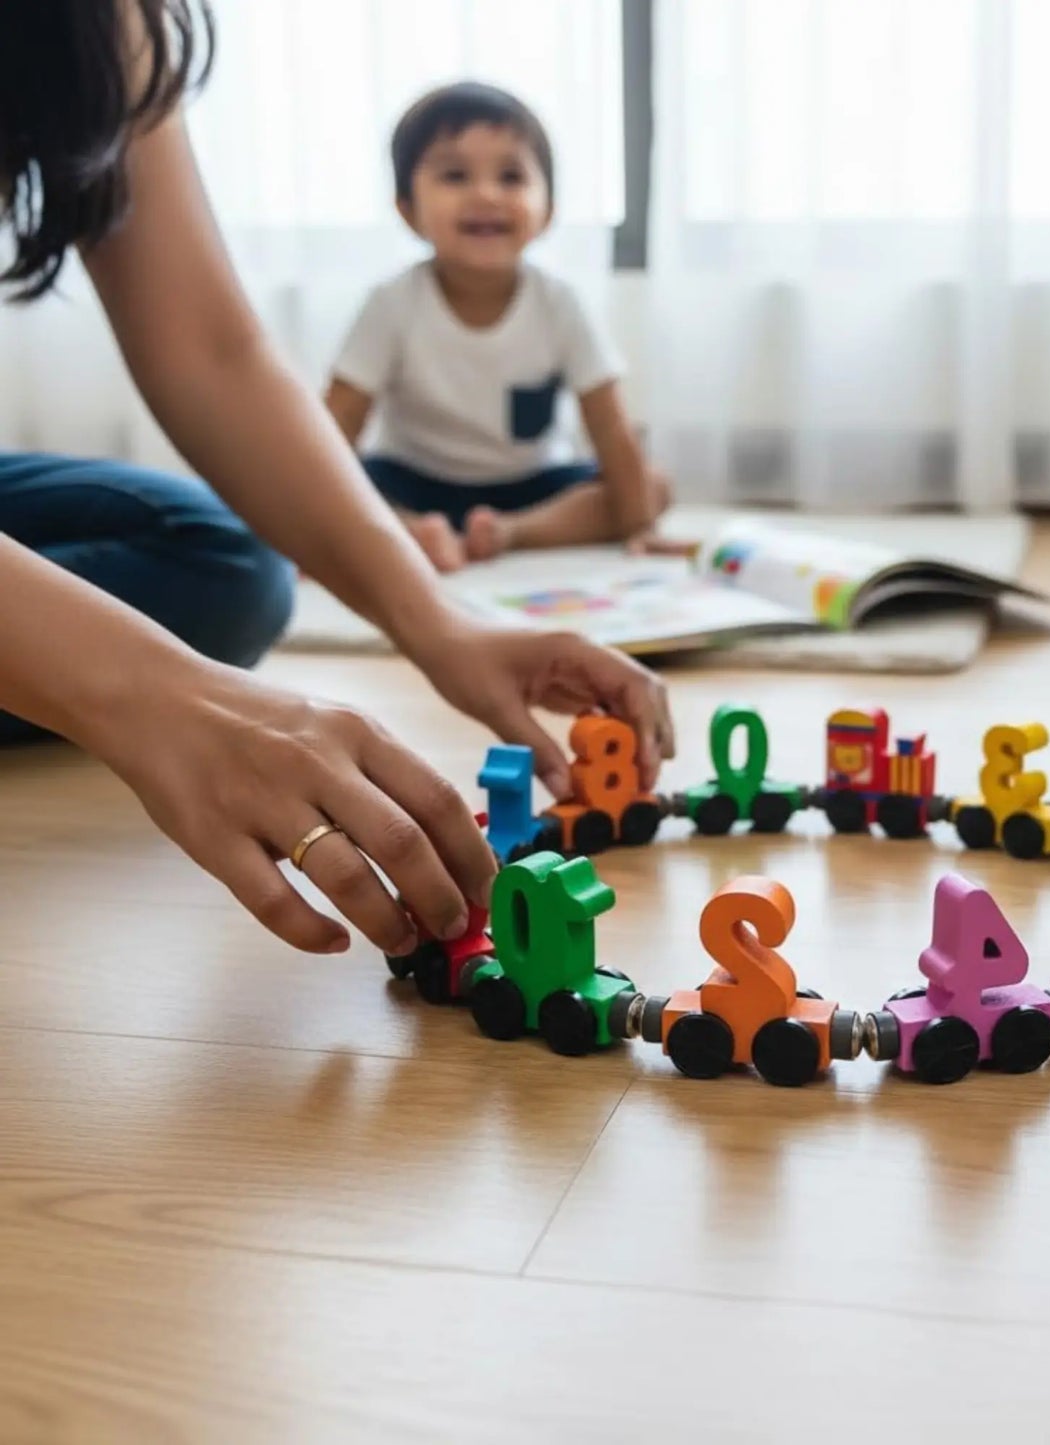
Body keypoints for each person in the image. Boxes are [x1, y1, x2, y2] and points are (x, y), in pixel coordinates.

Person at [0, 1, 674, 962]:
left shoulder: (105, 24)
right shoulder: (393, 306)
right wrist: (153, 696)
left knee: (226, 565)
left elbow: (212, 352)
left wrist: (443, 622)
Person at [324, 82, 674, 572]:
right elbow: (338, 422)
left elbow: (610, 426)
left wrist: (641, 528)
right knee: (334, 484)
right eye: (455, 175)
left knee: (651, 486)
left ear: (547, 209)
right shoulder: (391, 303)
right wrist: (311, 518)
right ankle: (415, 535)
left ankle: (508, 536)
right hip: (412, 481)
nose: (486, 194)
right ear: (407, 209)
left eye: (511, 177)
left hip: (531, 489)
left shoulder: (559, 302)